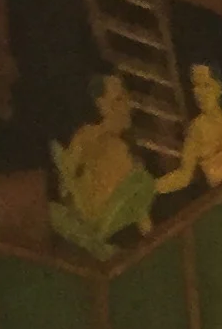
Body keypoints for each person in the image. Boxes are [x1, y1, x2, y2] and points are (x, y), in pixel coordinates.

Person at [53, 76, 157, 259]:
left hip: (113, 232)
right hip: (84, 225)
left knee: (142, 180)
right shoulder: (86, 136)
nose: (126, 106)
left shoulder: (125, 151)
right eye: (118, 99)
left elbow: (137, 207)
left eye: (126, 98)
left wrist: (153, 241)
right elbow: (65, 181)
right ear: (101, 104)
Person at [156, 65, 222, 196]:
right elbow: (184, 175)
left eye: (206, 85)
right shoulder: (197, 129)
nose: (199, 93)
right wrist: (151, 188)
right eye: (195, 86)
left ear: (218, 88)